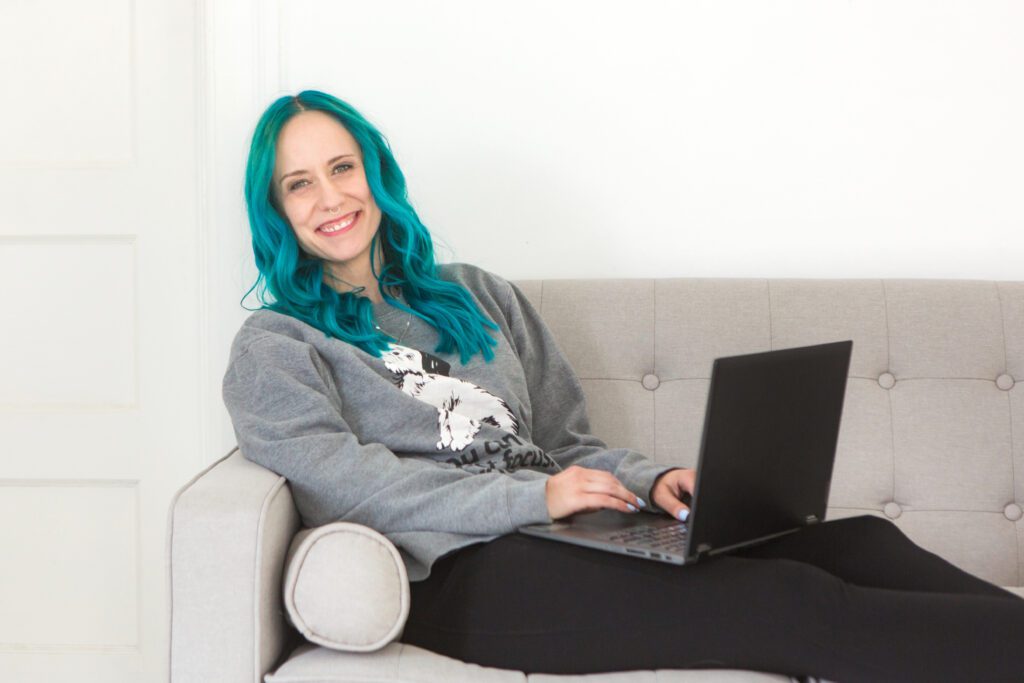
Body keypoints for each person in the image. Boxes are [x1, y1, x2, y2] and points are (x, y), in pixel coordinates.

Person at [222, 89, 1024, 683]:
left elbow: (567, 442)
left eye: (341, 167)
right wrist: (536, 500)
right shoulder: (277, 345)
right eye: (300, 183)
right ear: (275, 208)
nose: (330, 197)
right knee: (785, 599)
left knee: (859, 542)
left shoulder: (476, 293)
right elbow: (356, 490)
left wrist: (650, 480)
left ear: (375, 174)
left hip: (569, 528)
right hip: (469, 573)